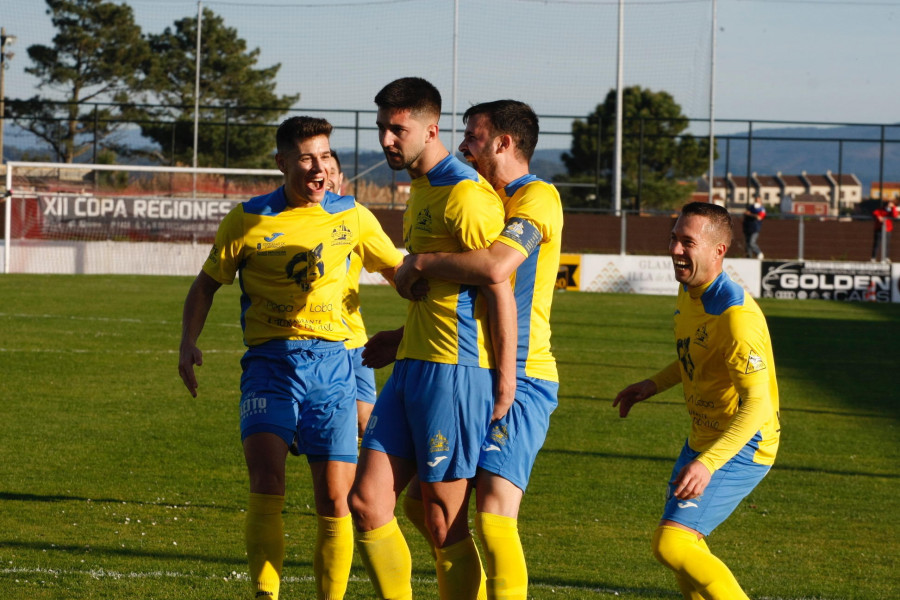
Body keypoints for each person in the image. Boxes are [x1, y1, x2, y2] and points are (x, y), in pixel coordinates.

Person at [178, 116, 402, 600]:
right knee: (266, 480)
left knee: (335, 499)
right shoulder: (248, 219)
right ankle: (265, 593)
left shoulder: (354, 216)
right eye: (306, 158)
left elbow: (401, 273)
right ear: (282, 163)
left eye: (325, 156)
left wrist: (447, 295)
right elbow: (206, 283)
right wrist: (187, 341)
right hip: (270, 365)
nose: (319, 167)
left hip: (335, 366)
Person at [348, 77, 516, 600]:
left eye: (397, 129)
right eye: (381, 128)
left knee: (444, 521)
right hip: (411, 367)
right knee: (367, 502)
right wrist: (400, 338)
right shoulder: (420, 188)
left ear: (430, 128)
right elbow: (441, 288)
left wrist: (505, 381)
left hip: (455, 373)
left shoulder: (464, 194)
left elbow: (498, 288)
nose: (386, 141)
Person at [390, 99, 562, 600]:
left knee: (492, 517)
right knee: (424, 508)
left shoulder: (538, 199)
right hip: (474, 369)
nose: (464, 145)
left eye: (475, 137)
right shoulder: (483, 198)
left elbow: (495, 266)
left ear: (505, 143)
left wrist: (421, 260)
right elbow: (468, 305)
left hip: (524, 373)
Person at [613, 201, 781, 600]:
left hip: (745, 444)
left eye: (687, 242)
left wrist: (707, 464)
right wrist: (654, 384)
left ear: (718, 251)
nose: (674, 250)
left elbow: (757, 405)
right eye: (674, 238)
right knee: (685, 551)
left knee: (670, 544)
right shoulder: (690, 292)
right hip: (702, 438)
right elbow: (697, 354)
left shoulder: (736, 318)